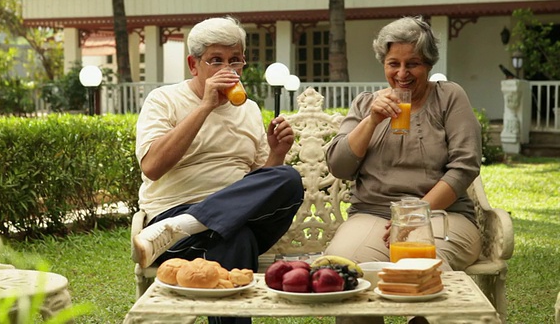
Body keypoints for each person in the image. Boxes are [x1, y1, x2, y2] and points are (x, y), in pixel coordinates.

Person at [132, 16, 304, 324]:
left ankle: (192, 223)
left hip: (217, 222)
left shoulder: (249, 110)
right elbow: (152, 166)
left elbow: (260, 183)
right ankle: (187, 224)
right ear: (193, 64)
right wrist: (204, 107)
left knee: (288, 178)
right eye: (216, 60)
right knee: (235, 238)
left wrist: (277, 154)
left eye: (234, 60)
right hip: (170, 222)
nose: (228, 70)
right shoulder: (164, 100)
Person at [324, 17, 482, 324]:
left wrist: (414, 216)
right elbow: (339, 165)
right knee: (346, 275)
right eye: (393, 63)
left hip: (440, 215)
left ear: (429, 64)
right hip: (373, 214)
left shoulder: (449, 98)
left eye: (413, 64)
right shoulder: (366, 104)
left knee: (422, 270)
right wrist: (371, 121)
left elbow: (465, 167)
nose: (402, 73)